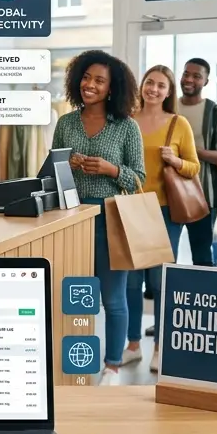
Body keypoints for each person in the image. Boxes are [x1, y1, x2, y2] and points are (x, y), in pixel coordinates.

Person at [51, 50, 145, 385]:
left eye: (99, 80)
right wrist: (65, 164)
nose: (90, 85)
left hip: (110, 219)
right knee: (75, 295)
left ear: (111, 88)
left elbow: (139, 179)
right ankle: (76, 361)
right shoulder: (65, 123)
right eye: (86, 78)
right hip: (71, 219)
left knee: (112, 298)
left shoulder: (127, 127)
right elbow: (51, 171)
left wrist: (111, 169)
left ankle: (113, 366)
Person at [127, 65, 199, 374]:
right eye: (149, 83)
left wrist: (176, 160)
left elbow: (194, 167)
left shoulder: (178, 124)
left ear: (169, 92)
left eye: (160, 85)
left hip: (166, 213)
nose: (153, 89)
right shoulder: (126, 121)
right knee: (130, 282)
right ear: (142, 86)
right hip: (130, 211)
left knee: (159, 281)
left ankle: (159, 347)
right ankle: (132, 345)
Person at [178, 57, 217, 265]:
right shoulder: (167, 108)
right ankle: (160, 296)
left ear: (206, 82)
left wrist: (195, 152)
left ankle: (201, 295)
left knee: (201, 256)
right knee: (161, 255)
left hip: (203, 197)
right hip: (166, 195)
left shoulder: (216, 113)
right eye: (186, 74)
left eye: (196, 76)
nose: (189, 79)